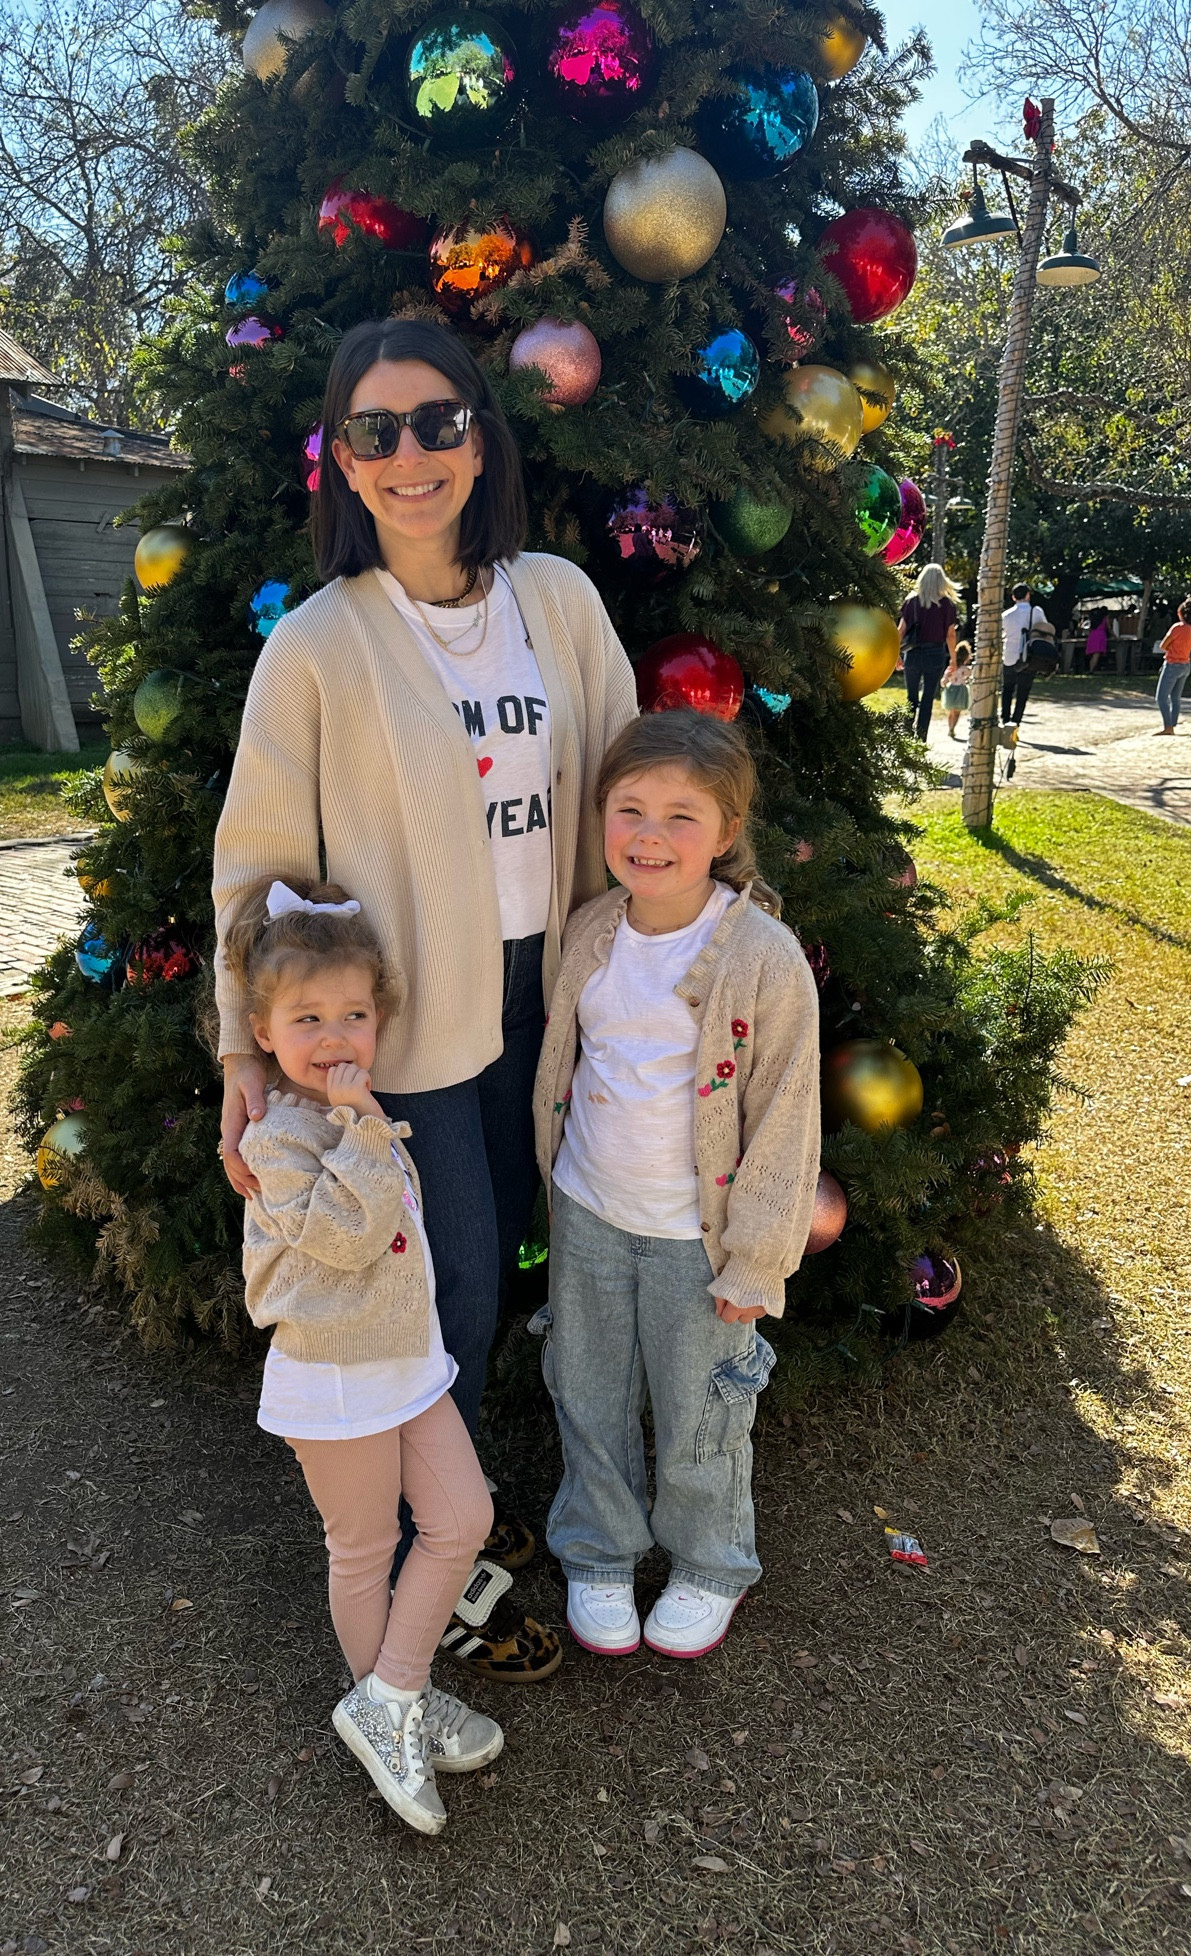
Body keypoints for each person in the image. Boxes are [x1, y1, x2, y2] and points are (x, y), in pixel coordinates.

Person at [212, 318, 638, 1683]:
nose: (411, 454)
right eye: (376, 431)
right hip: (397, 1030)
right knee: (438, 1288)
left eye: (438, 422)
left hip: (549, 994)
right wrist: (248, 1050)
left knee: (505, 1256)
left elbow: (628, 792)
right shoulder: (322, 646)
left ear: (479, 438)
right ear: (341, 459)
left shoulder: (558, 603)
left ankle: (449, 1524)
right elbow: (256, 867)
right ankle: (417, 1567)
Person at [531, 711, 821, 1661]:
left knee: (704, 1406)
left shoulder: (762, 959)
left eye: (681, 817)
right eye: (630, 810)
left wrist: (756, 1261)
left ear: (728, 833)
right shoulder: (588, 932)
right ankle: (600, 1549)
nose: (650, 836)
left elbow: (785, 1122)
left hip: (696, 1241)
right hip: (588, 1212)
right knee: (589, 1388)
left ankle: (708, 1561)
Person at [227, 877, 500, 1835]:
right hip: (339, 1378)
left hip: (408, 1364)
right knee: (366, 1548)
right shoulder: (279, 1137)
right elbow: (348, 1235)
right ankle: (389, 1707)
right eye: (308, 1017)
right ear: (263, 1031)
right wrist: (364, 1128)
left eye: (354, 1012)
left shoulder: (358, 1111)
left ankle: (395, 1694)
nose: (336, 1035)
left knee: (463, 1515)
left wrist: (367, 1120)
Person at [897, 562, 960, 740]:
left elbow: (900, 631)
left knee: (911, 697)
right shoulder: (947, 605)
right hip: (935, 653)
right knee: (928, 698)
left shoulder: (911, 602)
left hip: (913, 653)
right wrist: (953, 660)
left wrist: (895, 654)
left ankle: (906, 734)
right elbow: (950, 635)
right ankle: (921, 737)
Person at [1000, 582, 1051, 726]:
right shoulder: (1036, 611)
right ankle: (1016, 721)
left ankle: (1005, 719)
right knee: (1023, 691)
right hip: (1029, 656)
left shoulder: (1006, 615)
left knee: (1007, 689)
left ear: (1013, 597)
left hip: (1009, 655)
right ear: (1028, 595)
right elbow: (1045, 629)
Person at [1155, 599, 1191, 734]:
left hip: (1173, 664)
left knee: (1161, 697)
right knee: (1175, 698)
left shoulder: (1177, 627)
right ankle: (1172, 724)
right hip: (1185, 664)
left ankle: (1168, 727)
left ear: (1180, 613)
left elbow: (1163, 645)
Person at [941, 637, 973, 740]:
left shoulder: (951, 668)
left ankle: (950, 727)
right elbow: (971, 675)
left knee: (951, 711)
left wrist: (945, 682)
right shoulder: (966, 669)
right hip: (960, 691)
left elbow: (944, 679)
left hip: (951, 690)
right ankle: (952, 728)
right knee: (957, 712)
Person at [1083, 608, 1110, 673]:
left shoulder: (1093, 619)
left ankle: (1090, 668)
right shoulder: (1105, 619)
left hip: (1092, 635)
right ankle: (1091, 670)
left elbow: (1089, 629)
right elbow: (1109, 628)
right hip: (1100, 636)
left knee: (1093, 654)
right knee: (1096, 654)